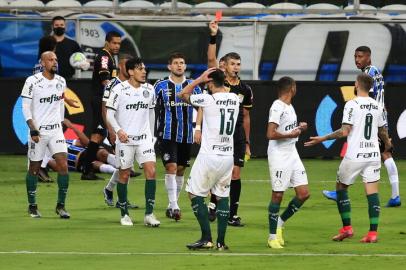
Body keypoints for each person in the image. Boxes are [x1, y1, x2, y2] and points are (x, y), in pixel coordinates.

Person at [305, 73, 392, 243]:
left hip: (355, 155)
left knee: (341, 188)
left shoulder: (351, 104)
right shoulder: (378, 106)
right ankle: (372, 234)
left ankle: (347, 229)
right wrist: (388, 144)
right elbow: (382, 131)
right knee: (372, 192)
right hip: (373, 154)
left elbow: (344, 131)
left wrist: (322, 138)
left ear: (357, 85)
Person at [323, 46, 401, 207]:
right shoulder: (375, 71)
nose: (357, 59)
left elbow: (368, 97)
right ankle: (395, 196)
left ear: (368, 57)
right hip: (379, 118)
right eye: (355, 56)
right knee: (385, 154)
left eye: (360, 56)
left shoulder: (368, 74)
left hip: (372, 119)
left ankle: (340, 191)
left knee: (361, 151)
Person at [178, 68, 239, 251]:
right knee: (222, 196)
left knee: (193, 193)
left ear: (211, 83)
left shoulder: (208, 99)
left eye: (208, 84)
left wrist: (198, 80)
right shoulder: (234, 99)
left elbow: (183, 94)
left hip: (209, 156)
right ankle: (221, 242)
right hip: (228, 156)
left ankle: (206, 237)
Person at [206, 20, 254, 226]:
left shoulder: (245, 89)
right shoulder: (219, 82)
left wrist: (248, 142)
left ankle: (233, 214)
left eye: (238, 64)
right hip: (218, 135)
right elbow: (210, 59)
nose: (236, 67)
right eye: (232, 64)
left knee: (235, 174)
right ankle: (213, 203)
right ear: (224, 66)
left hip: (237, 136)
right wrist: (213, 35)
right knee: (219, 173)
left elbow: (246, 116)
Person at [106, 57, 159, 227]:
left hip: (144, 139)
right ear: (130, 71)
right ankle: (124, 214)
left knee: (151, 171)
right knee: (124, 174)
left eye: (144, 68)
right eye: (139, 68)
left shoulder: (149, 89)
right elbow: (109, 114)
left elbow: (151, 113)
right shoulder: (119, 90)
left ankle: (149, 214)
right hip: (125, 140)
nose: (144, 71)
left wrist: (152, 136)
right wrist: (118, 130)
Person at [21, 51, 70, 219]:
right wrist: (33, 128)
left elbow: (61, 102)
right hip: (38, 132)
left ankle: (61, 206)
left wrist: (61, 122)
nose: (54, 62)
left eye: (56, 59)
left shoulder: (61, 81)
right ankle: (32, 205)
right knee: (34, 168)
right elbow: (25, 107)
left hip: (56, 130)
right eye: (50, 60)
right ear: (42, 63)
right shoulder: (32, 81)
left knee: (63, 165)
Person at [154, 53, 202, 221]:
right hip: (167, 134)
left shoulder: (193, 85)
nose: (179, 66)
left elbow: (201, 107)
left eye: (182, 63)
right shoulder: (160, 85)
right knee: (171, 168)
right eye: (176, 63)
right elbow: (152, 108)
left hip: (187, 134)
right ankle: (175, 206)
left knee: (181, 170)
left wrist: (198, 128)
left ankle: (171, 203)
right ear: (170, 67)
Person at [266, 76, 310, 249]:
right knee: (278, 194)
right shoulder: (277, 106)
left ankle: (279, 222)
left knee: (303, 194)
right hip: (279, 154)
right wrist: (290, 135)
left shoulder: (289, 106)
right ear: (292, 88)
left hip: (292, 152)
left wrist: (299, 128)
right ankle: (271, 237)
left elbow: (287, 129)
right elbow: (270, 134)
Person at [102, 54, 142, 207]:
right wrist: (111, 130)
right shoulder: (112, 84)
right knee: (125, 166)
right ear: (120, 66)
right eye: (126, 64)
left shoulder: (135, 84)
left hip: (132, 129)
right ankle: (120, 199)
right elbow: (104, 107)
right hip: (117, 129)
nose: (129, 67)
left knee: (125, 165)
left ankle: (110, 190)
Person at [81, 31, 121, 180]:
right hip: (101, 100)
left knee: (101, 134)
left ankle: (122, 166)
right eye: (114, 43)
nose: (117, 46)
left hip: (103, 99)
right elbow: (105, 80)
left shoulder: (110, 57)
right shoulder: (104, 56)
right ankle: (87, 169)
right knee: (100, 134)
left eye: (119, 43)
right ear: (107, 42)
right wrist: (117, 93)